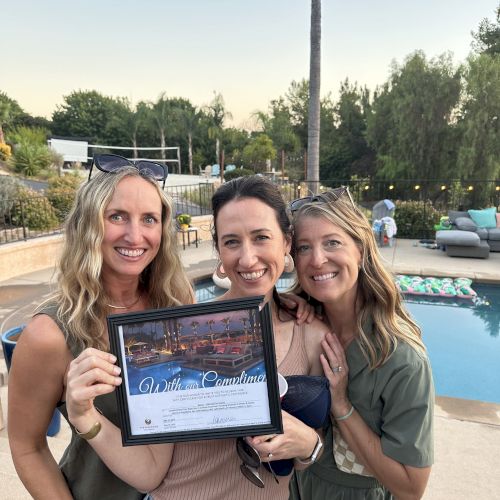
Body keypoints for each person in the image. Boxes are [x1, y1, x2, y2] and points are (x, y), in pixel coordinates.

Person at [63, 175, 329, 500]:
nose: (247, 258)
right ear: (218, 248)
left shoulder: (313, 334)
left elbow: (298, 458)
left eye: (261, 237)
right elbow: (149, 473)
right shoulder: (180, 331)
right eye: (232, 241)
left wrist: (309, 446)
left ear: (286, 241)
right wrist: (84, 416)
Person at [8, 160, 194, 499]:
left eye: (149, 219)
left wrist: (287, 302)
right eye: (117, 216)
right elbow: (26, 446)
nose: (135, 236)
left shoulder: (175, 303)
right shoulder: (49, 335)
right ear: (88, 223)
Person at [289, 188, 434, 500]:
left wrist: (341, 405)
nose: (317, 259)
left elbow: (411, 488)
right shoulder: (295, 327)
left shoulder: (401, 359)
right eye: (303, 247)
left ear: (360, 249)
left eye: (332, 242)